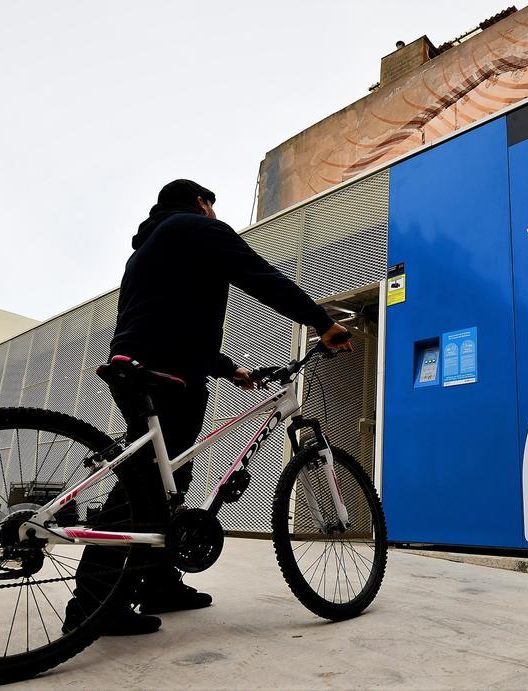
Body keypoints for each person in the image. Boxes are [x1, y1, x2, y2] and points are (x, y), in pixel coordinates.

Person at [67, 179, 350, 636]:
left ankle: (159, 581)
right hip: (167, 373)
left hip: (140, 362)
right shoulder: (197, 228)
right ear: (202, 203)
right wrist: (320, 322)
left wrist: (225, 367)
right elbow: (262, 278)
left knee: (169, 477)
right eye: (212, 207)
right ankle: (94, 603)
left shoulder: (149, 246)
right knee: (144, 485)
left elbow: (169, 316)